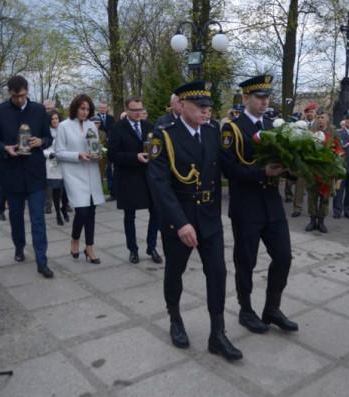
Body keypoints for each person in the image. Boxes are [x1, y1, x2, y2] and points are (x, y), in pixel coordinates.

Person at [148, 81, 242, 362]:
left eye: (208, 107)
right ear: (183, 105)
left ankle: (218, 334)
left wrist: (266, 170)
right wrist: (180, 223)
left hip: (209, 217)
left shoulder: (212, 132)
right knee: (174, 271)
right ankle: (175, 319)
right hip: (180, 221)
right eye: (200, 107)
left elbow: (230, 166)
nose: (206, 111)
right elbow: (159, 184)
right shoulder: (164, 135)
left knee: (217, 273)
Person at [221, 75, 298, 335]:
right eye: (259, 97)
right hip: (246, 206)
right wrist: (263, 172)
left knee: (284, 257)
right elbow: (229, 170)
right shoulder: (232, 129)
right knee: (246, 262)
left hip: (272, 204)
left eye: (267, 97)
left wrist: (293, 169)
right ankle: (246, 309)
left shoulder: (273, 126)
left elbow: (282, 161)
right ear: (246, 99)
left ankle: (272, 308)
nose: (265, 102)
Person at [0, 75, 54, 278]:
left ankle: (42, 260)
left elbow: (48, 138)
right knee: (16, 217)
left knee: (37, 219)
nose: (19, 100)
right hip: (12, 173)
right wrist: (5, 148)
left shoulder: (38, 110)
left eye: (23, 95)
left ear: (27, 91)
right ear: (10, 93)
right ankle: (19, 246)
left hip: (35, 173)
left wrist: (40, 142)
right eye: (16, 96)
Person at [108, 96, 162, 264]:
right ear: (127, 109)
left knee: (156, 213)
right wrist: (134, 157)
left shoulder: (150, 126)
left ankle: (151, 246)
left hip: (149, 178)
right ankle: (133, 249)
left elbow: (156, 148)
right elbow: (112, 155)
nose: (138, 113)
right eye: (134, 110)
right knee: (129, 216)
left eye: (140, 109)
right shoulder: (117, 128)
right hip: (128, 178)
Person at [55, 94, 104, 264]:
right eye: (82, 108)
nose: (85, 112)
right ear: (75, 107)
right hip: (74, 174)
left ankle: (89, 247)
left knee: (91, 211)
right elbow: (59, 152)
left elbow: (95, 146)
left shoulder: (92, 125)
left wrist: (98, 154)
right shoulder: (64, 126)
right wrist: (77, 155)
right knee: (82, 211)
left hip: (91, 172)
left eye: (88, 109)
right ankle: (75, 239)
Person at [305, 110, 338, 233]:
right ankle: (312, 220)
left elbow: (338, 148)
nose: (320, 119)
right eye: (318, 117)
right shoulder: (311, 131)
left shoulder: (333, 132)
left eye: (322, 117)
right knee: (312, 196)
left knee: (324, 196)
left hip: (327, 170)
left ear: (327, 119)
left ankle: (321, 221)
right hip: (313, 169)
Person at [44, 110, 69, 226]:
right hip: (53, 165)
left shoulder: (64, 130)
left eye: (57, 118)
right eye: (53, 119)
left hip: (65, 164)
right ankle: (58, 214)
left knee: (66, 192)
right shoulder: (46, 132)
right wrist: (50, 154)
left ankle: (64, 208)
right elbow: (43, 149)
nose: (55, 121)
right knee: (57, 191)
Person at [96, 102, 116, 200]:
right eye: (101, 108)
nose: (103, 109)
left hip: (110, 147)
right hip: (99, 148)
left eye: (104, 108)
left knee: (109, 169)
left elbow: (113, 130)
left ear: (107, 108)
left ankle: (111, 191)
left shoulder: (111, 118)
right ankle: (98, 191)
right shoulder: (95, 118)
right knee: (99, 170)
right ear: (99, 109)